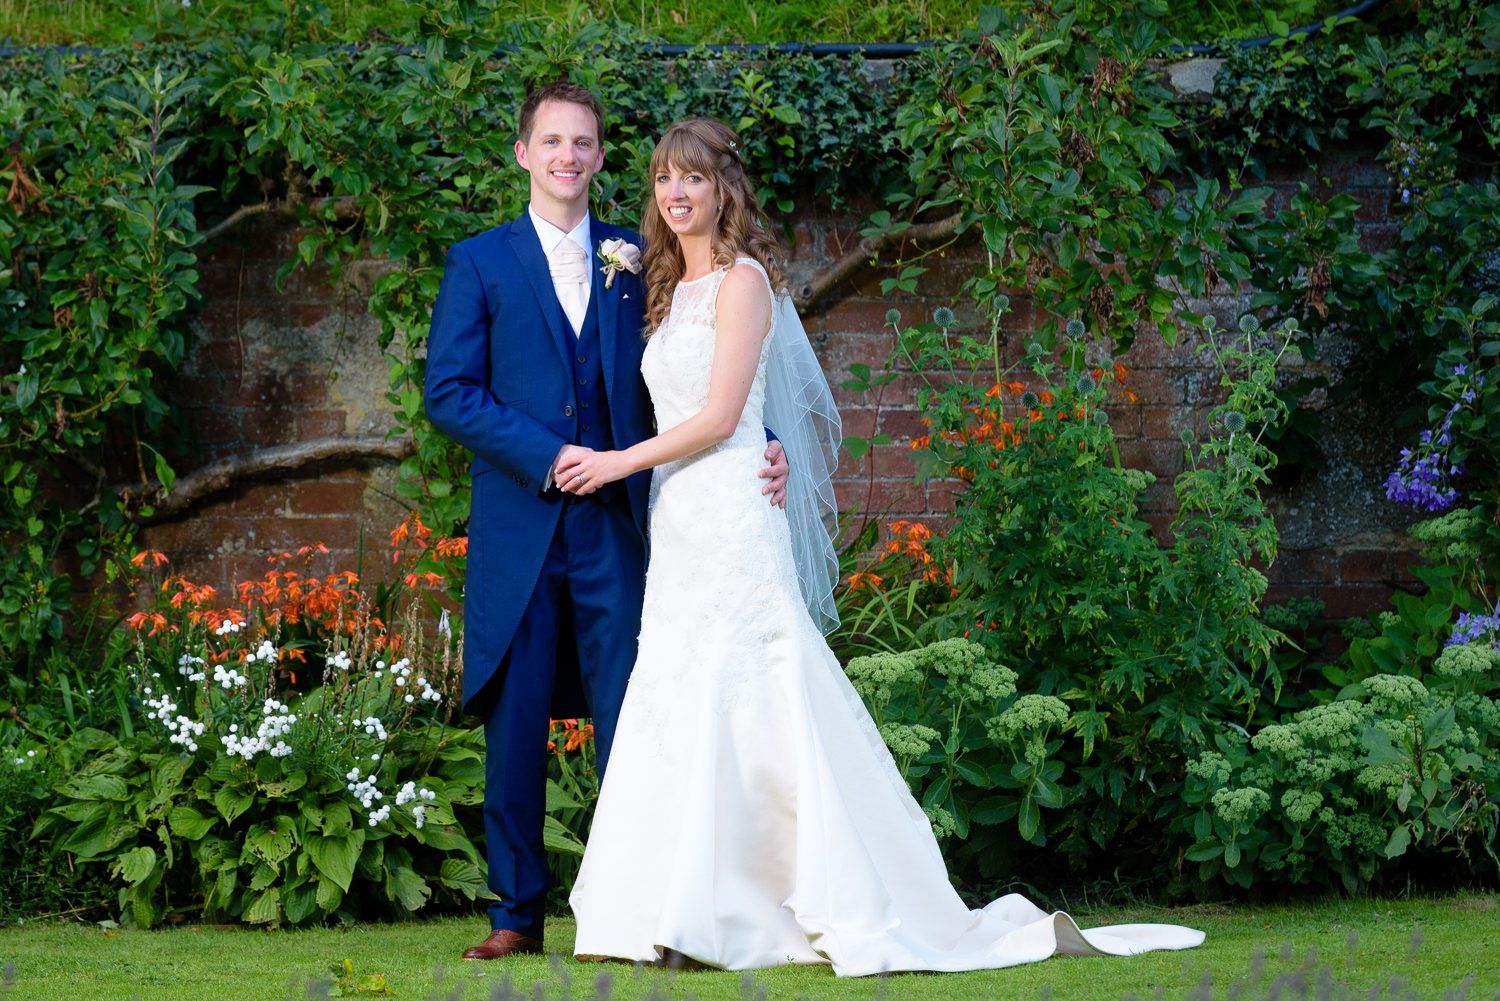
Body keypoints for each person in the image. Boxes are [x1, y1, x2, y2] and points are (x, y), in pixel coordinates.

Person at [557, 117, 1206, 975]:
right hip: (681, 517)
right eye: (665, 181)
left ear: (724, 191)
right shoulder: (664, 289)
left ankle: (756, 907)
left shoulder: (746, 283)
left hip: (733, 513)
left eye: (694, 180)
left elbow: (719, 418)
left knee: (757, 687)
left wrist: (613, 464)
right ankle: (671, 909)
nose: (677, 195)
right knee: (680, 690)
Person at [423, 85, 788, 962]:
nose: (568, 157)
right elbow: (449, 392)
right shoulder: (479, 263)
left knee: (636, 710)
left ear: (597, 157)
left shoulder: (640, 263)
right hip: (524, 522)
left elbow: (699, 374)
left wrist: (764, 440)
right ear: (524, 153)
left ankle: (639, 907)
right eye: (552, 141)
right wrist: (548, 455)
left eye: (583, 143)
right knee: (516, 722)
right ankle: (516, 911)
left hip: (623, 526)